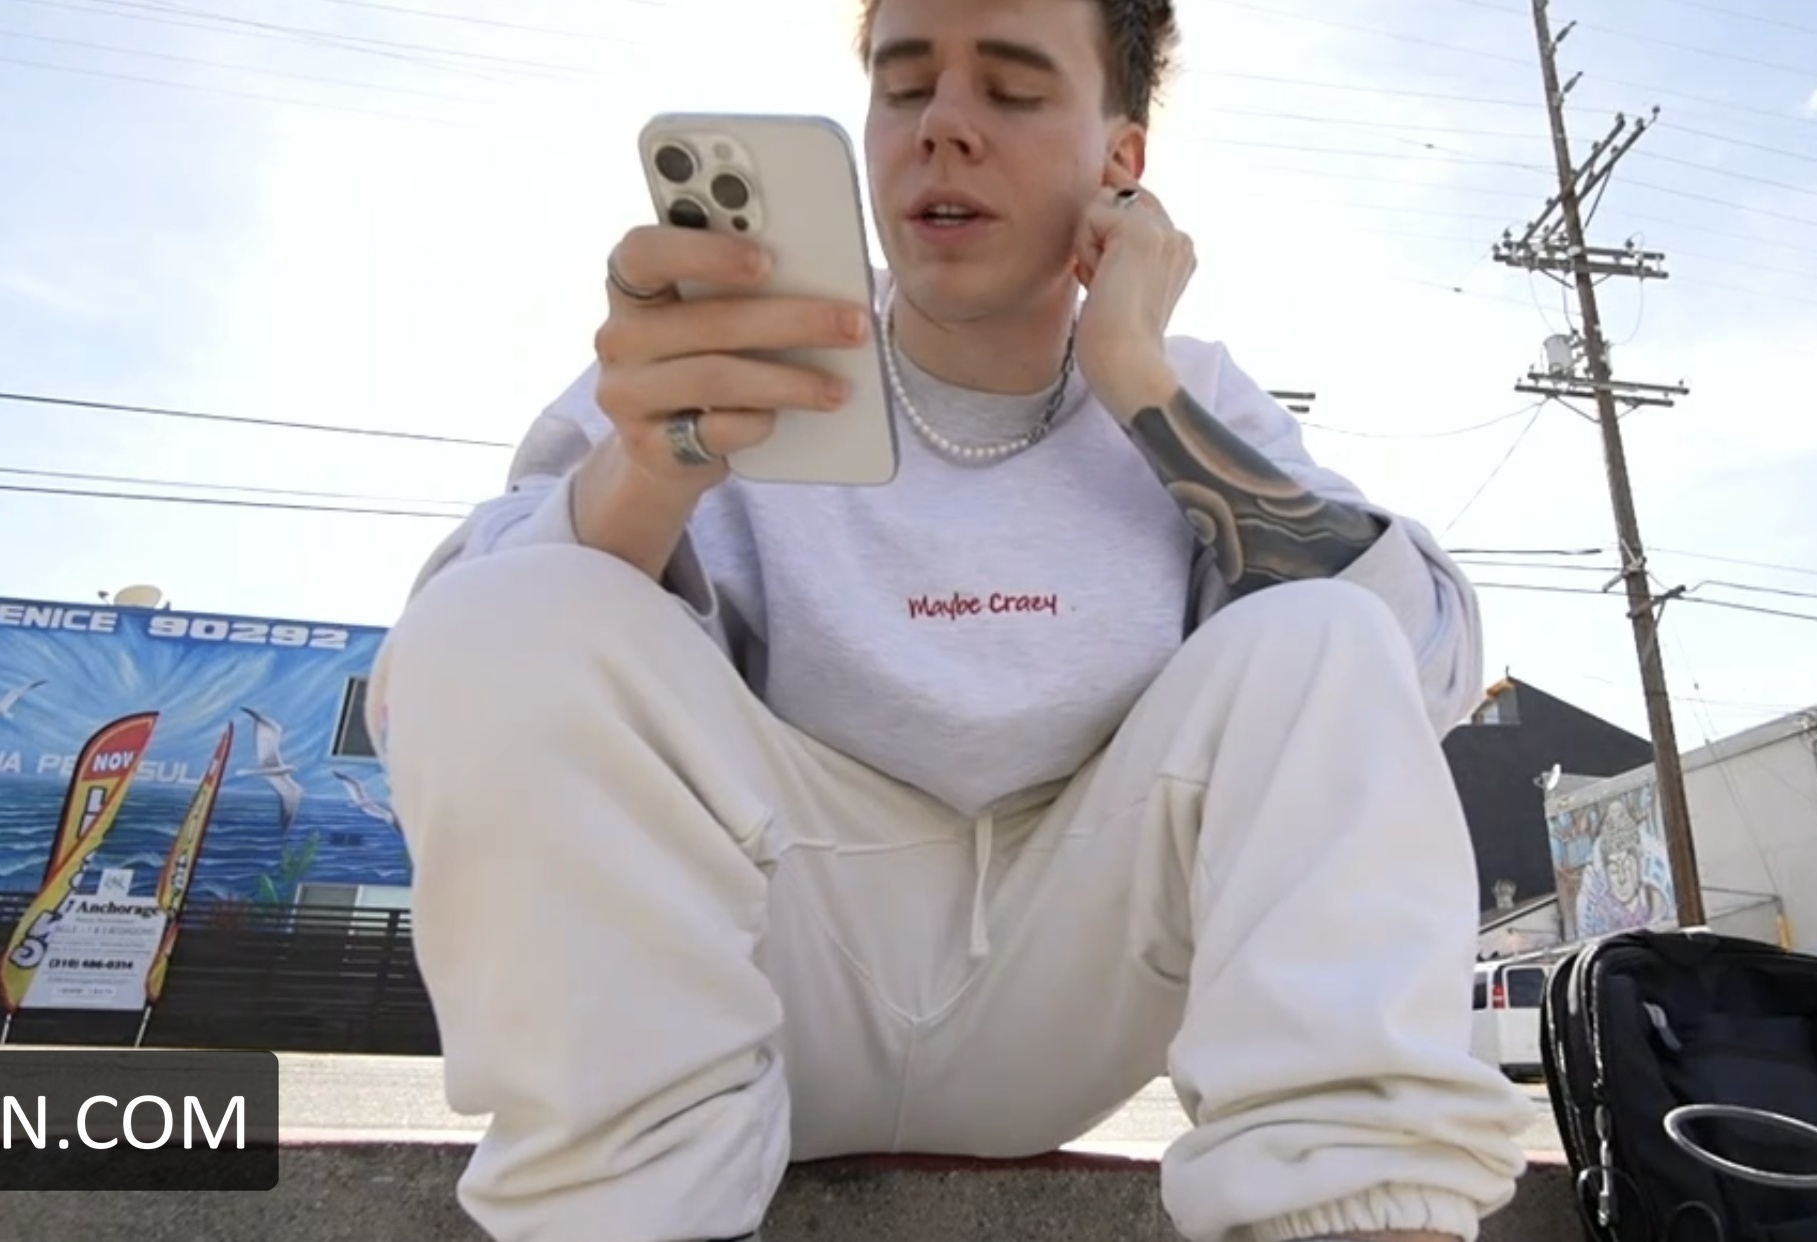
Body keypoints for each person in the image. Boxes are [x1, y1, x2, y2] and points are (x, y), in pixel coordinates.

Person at [366, 1, 1538, 1239]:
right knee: (515, 603)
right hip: (758, 986)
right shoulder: (723, 362)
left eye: (1015, 89)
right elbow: (449, 671)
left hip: (1069, 995)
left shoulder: (1188, 386)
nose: (944, 128)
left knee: (1319, 635)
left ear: (1122, 164)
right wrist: (648, 471)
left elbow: (1417, 663)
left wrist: (1137, 382)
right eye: (906, 84)